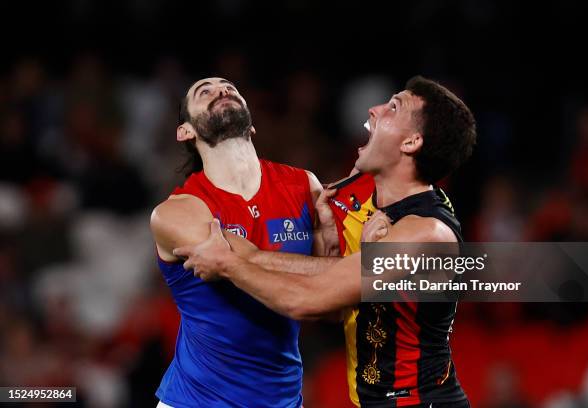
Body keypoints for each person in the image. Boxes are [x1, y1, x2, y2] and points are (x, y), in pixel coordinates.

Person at [174, 76, 477, 407]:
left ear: (411, 142)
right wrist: (328, 240)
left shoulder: (424, 234)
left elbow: (307, 300)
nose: (373, 110)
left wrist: (232, 262)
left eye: (393, 107)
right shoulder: (365, 204)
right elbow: (337, 303)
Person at [150, 77, 337, 407]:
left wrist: (334, 246)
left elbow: (331, 303)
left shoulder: (303, 184)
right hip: (196, 400)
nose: (222, 91)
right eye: (204, 92)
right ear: (185, 131)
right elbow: (248, 262)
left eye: (230, 88)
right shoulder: (176, 211)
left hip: (284, 399)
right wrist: (362, 271)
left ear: (251, 124)